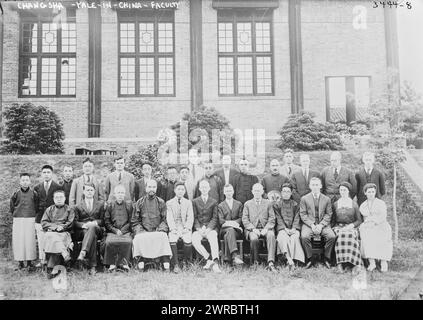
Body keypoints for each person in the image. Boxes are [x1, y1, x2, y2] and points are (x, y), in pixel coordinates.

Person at [132, 179, 172, 272]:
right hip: (143, 230)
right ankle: (140, 263)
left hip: (158, 230)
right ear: (146, 188)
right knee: (139, 238)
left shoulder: (161, 202)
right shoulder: (139, 202)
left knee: (163, 236)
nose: (151, 189)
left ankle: (166, 264)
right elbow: (135, 221)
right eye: (149, 187)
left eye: (154, 187)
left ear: (156, 189)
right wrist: (141, 231)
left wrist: (160, 230)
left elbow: (165, 219)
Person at [299, 177, 336, 269]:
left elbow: (328, 214)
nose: (315, 187)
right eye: (313, 185)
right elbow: (303, 214)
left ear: (320, 186)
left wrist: (321, 225)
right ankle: (310, 258)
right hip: (309, 224)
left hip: (323, 224)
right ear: (310, 186)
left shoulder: (326, 199)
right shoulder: (304, 198)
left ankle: (326, 257)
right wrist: (311, 225)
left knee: (331, 236)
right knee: (304, 237)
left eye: (317, 185)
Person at [242, 183, 277, 271]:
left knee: (271, 235)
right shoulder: (247, 204)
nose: (257, 192)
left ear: (262, 192)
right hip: (252, 229)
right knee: (254, 238)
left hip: (265, 228)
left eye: (259, 190)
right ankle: (255, 261)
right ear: (252, 192)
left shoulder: (268, 203)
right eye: (255, 190)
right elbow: (245, 219)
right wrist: (253, 229)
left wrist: (266, 229)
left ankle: (271, 262)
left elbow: (272, 218)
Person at [34, 164, 63, 268]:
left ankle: (52, 260)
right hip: (40, 218)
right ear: (41, 174)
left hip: (53, 218)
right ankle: (42, 260)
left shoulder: (58, 187)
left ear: (52, 174)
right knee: (41, 239)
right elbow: (35, 204)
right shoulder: (37, 187)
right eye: (44, 172)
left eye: (48, 172)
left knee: (51, 238)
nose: (46, 174)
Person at [359, 183, 393, 272]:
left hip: (380, 224)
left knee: (382, 237)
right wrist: (368, 223)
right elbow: (365, 218)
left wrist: (375, 222)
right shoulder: (363, 205)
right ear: (365, 193)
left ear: (375, 192)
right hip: (368, 224)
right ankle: (372, 262)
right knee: (366, 234)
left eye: (373, 192)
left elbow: (383, 216)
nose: (371, 194)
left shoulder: (380, 203)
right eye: (369, 192)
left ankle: (383, 262)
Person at [74, 183, 105, 275]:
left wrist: (94, 223)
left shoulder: (100, 204)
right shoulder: (77, 206)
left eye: (91, 190)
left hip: (97, 229)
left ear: (94, 191)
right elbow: (74, 222)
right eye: (87, 190)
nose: (89, 192)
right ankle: (93, 266)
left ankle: (83, 251)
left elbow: (103, 220)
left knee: (92, 228)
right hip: (83, 230)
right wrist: (83, 225)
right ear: (83, 191)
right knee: (93, 236)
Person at [41, 190, 74, 276]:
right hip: (52, 231)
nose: (59, 199)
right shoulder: (49, 209)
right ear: (53, 199)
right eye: (56, 197)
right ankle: (64, 254)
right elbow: (44, 222)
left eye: (61, 197)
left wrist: (62, 227)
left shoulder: (69, 209)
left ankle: (51, 267)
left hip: (64, 233)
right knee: (51, 236)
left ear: (65, 198)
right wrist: (55, 227)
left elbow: (71, 222)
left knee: (52, 238)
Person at [271, 183, 304, 269]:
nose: (286, 193)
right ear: (281, 193)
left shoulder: (295, 204)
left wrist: (294, 228)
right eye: (284, 191)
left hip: (293, 228)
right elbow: (278, 218)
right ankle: (289, 259)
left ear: (291, 193)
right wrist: (284, 228)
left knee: (295, 237)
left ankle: (292, 260)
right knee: (282, 237)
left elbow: (297, 217)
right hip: (282, 228)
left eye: (288, 192)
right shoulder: (277, 205)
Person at [10, 173, 39, 270]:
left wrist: (32, 214)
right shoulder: (16, 193)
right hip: (18, 219)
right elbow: (12, 206)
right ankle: (20, 262)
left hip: (30, 218)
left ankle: (30, 262)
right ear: (20, 182)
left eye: (27, 180)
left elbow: (37, 206)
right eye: (23, 180)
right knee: (19, 240)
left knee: (29, 240)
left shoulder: (34, 193)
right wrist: (17, 214)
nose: (25, 182)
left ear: (30, 181)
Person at [191, 180, 221, 273]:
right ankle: (208, 258)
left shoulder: (214, 201)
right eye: (202, 187)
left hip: (210, 228)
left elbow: (215, 218)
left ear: (209, 188)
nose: (204, 189)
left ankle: (215, 261)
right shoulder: (195, 201)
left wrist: (208, 229)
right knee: (194, 238)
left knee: (213, 236)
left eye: (206, 187)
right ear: (199, 189)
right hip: (199, 228)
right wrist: (199, 229)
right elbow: (194, 217)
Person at [332, 182, 363, 273]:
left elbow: (359, 220)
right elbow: (333, 220)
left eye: (344, 190)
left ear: (348, 191)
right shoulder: (336, 204)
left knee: (350, 235)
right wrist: (333, 227)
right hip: (339, 227)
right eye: (341, 190)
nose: (342, 192)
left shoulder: (354, 204)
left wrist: (351, 226)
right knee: (341, 235)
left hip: (351, 227)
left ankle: (355, 264)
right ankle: (340, 264)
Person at [103, 185, 133, 272]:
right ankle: (112, 264)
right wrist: (115, 230)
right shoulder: (110, 205)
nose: (120, 195)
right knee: (109, 242)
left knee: (128, 242)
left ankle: (125, 263)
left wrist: (123, 230)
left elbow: (131, 220)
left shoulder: (128, 206)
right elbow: (107, 221)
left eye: (122, 193)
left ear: (124, 194)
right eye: (118, 193)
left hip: (125, 231)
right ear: (115, 194)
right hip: (113, 231)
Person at [166, 182, 194, 273]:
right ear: (175, 190)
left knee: (188, 239)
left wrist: (187, 228)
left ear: (185, 191)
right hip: (174, 227)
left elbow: (190, 217)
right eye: (178, 189)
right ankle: (176, 264)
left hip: (184, 227)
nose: (180, 191)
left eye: (182, 189)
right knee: (172, 238)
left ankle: (186, 262)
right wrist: (173, 229)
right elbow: (169, 218)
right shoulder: (169, 203)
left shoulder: (188, 202)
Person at [217, 184, 244, 265]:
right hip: (224, 230)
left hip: (236, 231)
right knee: (229, 230)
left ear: (233, 191)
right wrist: (233, 223)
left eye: (230, 191)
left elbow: (241, 218)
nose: (229, 193)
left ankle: (227, 260)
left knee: (228, 234)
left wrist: (230, 223)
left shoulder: (239, 204)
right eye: (227, 191)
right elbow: (221, 221)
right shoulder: (220, 205)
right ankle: (235, 256)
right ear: (224, 192)